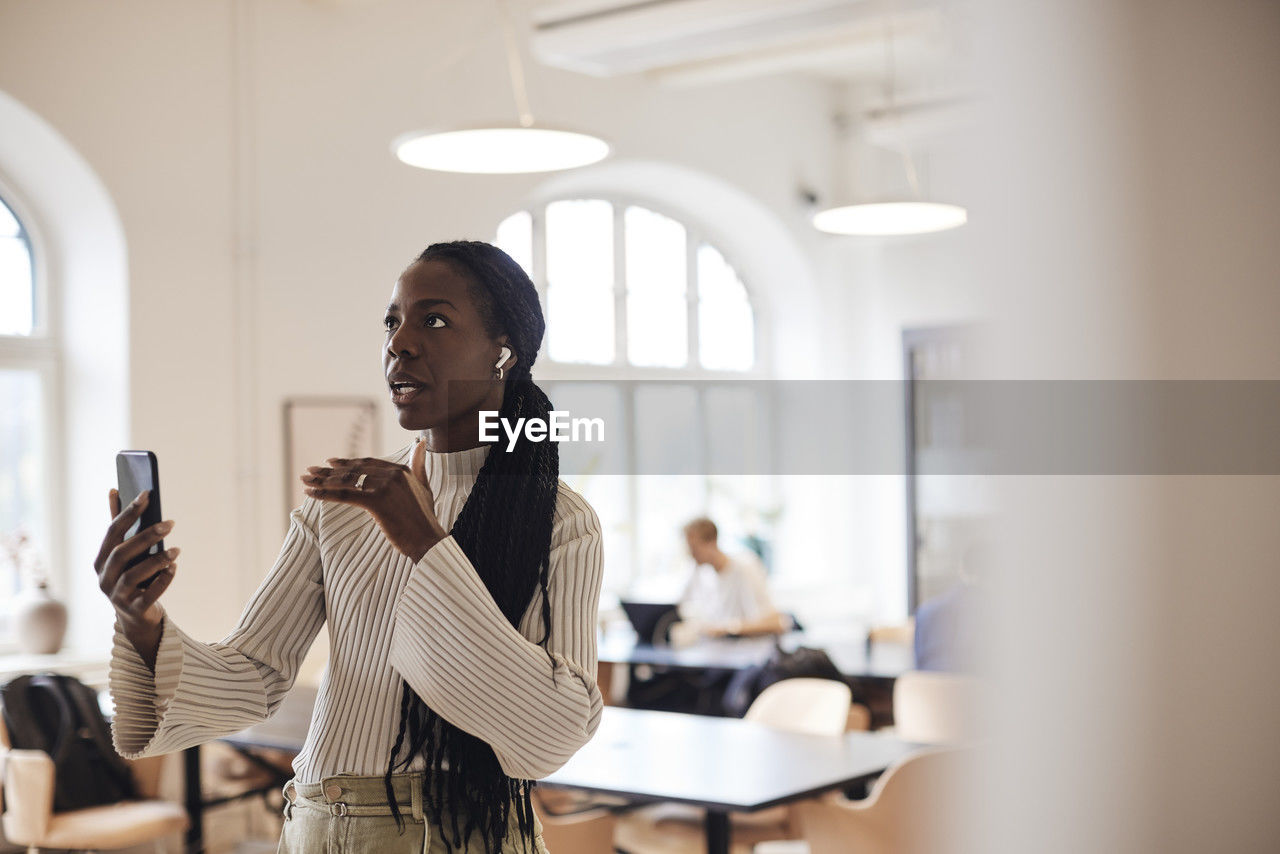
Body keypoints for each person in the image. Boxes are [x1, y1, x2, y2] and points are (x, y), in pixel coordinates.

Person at [94, 241, 605, 853]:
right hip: (318, 826)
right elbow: (254, 675)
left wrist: (423, 541)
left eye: (433, 320)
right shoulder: (338, 503)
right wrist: (142, 620)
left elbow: (553, 734)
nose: (400, 343)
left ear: (502, 353)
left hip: (466, 835)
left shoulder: (563, 521)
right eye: (392, 322)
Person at [675, 517, 788, 639]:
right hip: (720, 649)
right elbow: (678, 607)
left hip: (748, 648)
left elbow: (777, 623)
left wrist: (727, 628)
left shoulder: (745, 566)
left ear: (712, 542)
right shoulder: (699, 571)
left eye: (694, 548)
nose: (690, 554)